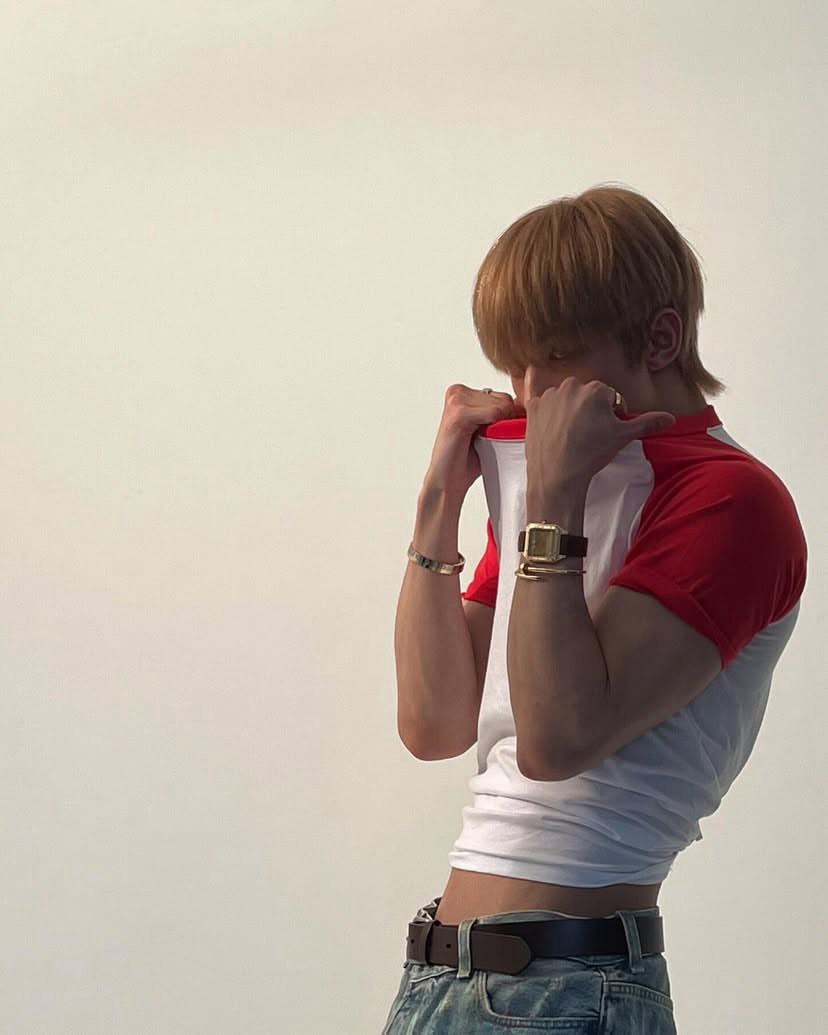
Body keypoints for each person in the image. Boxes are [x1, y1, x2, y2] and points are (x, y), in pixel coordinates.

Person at [382, 184, 808, 1033]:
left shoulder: (729, 500)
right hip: (440, 978)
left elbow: (559, 738)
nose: (530, 393)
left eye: (555, 358)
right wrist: (439, 502)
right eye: (515, 365)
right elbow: (433, 723)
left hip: (566, 986)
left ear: (660, 339)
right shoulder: (567, 494)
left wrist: (553, 497)